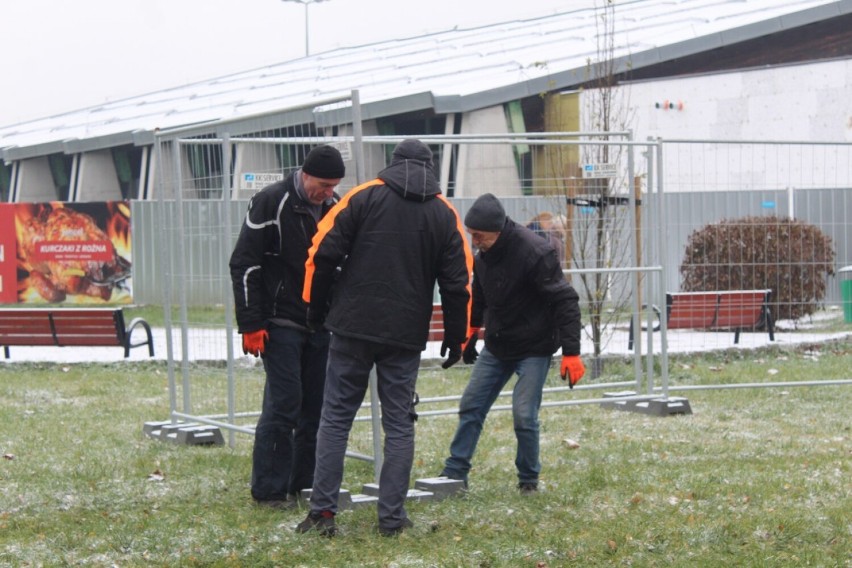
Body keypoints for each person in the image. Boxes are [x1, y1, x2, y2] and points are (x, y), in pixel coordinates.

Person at [296, 139, 472, 537]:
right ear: (430, 168)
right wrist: (456, 335)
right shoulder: (444, 214)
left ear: (393, 163)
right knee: (399, 424)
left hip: (351, 325)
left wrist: (315, 310)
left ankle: (322, 513)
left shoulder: (362, 197)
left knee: (336, 418)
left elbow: (321, 254)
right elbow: (458, 282)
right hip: (405, 333)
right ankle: (391, 519)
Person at [439, 193, 585, 494]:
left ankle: (528, 480)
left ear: (497, 229)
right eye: (471, 235)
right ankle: (454, 474)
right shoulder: (483, 258)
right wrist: (471, 331)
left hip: (534, 346)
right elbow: (479, 295)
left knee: (524, 415)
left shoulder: (535, 252)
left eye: (478, 235)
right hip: (497, 345)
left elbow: (566, 300)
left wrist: (572, 352)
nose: (474, 241)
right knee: (471, 405)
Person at [229, 144, 346, 510]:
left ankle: (304, 484)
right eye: (324, 185)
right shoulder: (270, 201)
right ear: (306, 174)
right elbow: (244, 263)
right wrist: (250, 322)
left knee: (316, 406)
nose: (328, 193)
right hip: (279, 322)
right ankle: (268, 491)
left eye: (333, 187)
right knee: (284, 405)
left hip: (320, 324)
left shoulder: (334, 207)